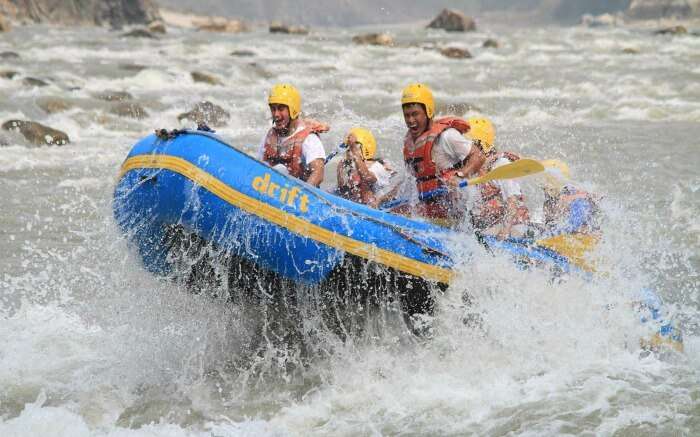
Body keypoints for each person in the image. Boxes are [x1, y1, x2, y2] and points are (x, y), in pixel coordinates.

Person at [400, 83, 485, 224]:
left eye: (415, 114)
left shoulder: (447, 136)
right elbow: (408, 178)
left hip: (454, 211)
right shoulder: (410, 144)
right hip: (429, 210)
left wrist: (461, 174)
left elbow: (479, 156)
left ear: (428, 111)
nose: (410, 120)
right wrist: (382, 198)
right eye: (407, 115)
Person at [466, 118, 532, 239]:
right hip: (488, 224)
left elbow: (514, 202)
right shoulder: (473, 167)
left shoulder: (501, 166)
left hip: (513, 227)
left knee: (475, 237)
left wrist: (504, 231)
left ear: (481, 145)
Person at [258, 84, 328, 187]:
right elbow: (258, 168)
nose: (276, 114)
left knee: (280, 169)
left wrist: (300, 196)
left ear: (293, 110)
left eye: (281, 109)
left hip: (298, 196)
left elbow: (318, 174)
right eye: (273, 109)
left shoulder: (309, 139)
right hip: (270, 190)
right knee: (278, 169)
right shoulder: (268, 137)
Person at [336, 127, 396, 206]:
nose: (348, 151)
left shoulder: (378, 167)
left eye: (350, 148)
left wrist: (354, 151)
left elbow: (366, 176)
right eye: (348, 148)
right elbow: (343, 191)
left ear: (363, 149)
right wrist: (340, 170)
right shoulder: (352, 167)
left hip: (372, 208)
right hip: (355, 205)